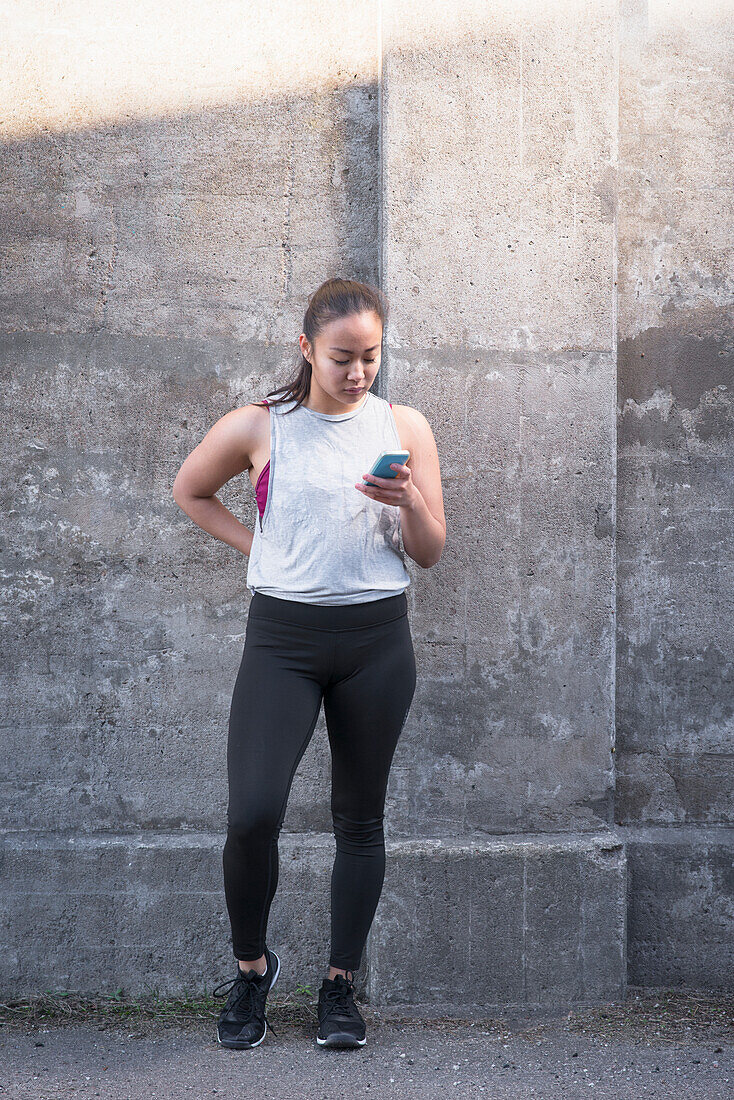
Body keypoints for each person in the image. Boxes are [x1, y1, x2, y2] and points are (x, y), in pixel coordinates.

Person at [172, 277, 446, 1050]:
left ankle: (339, 988)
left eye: (371, 357)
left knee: (359, 819)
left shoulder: (404, 426)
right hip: (282, 642)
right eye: (342, 358)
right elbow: (190, 490)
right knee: (252, 814)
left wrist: (410, 506)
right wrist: (259, 550)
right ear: (305, 349)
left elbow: (430, 552)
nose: (359, 373)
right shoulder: (261, 426)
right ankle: (253, 971)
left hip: (377, 644)